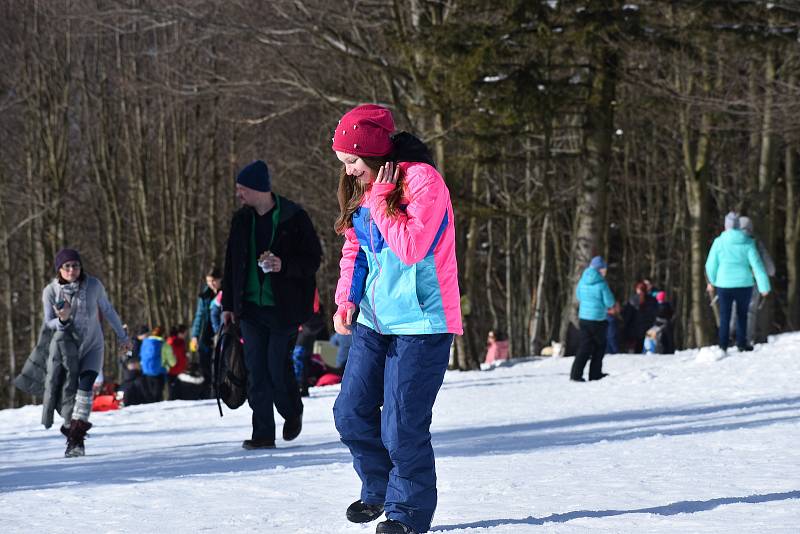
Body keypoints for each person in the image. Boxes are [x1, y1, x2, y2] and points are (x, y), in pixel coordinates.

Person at [330, 104, 462, 534]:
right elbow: (356, 250)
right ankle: (379, 488)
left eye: (352, 161)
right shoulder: (364, 189)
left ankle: (406, 513)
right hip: (374, 321)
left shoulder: (423, 181)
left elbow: (410, 248)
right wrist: (346, 299)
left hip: (422, 324)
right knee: (350, 412)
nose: (349, 172)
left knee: (402, 424)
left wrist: (385, 201)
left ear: (371, 153)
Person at [221, 159, 322, 450]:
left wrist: (283, 265)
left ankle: (292, 413)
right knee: (256, 371)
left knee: (277, 367)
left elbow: (313, 259)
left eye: (243, 189)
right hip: (250, 309)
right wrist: (228, 304)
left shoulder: (294, 216)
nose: (239, 194)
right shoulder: (241, 220)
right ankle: (263, 433)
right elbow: (231, 264)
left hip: (285, 308)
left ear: (258, 189)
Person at [15, 248, 130, 457]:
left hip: (93, 346)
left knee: (85, 390)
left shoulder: (93, 285)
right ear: (59, 269)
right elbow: (48, 323)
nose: (72, 270)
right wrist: (62, 318)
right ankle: (72, 431)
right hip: (67, 351)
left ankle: (76, 440)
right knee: (69, 395)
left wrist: (123, 337)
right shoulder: (50, 291)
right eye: (66, 266)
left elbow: (108, 310)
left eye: (75, 265)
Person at [706, 211, 771, 352]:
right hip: (744, 284)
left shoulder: (719, 242)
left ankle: (722, 345)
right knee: (743, 314)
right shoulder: (748, 242)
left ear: (726, 226)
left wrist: (712, 280)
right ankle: (742, 343)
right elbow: (757, 265)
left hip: (724, 284)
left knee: (725, 316)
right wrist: (764, 286)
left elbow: (710, 264)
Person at [570, 256, 615, 382]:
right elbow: (609, 302)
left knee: (584, 347)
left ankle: (575, 374)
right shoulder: (601, 284)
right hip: (598, 320)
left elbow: (578, 295)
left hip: (584, 319)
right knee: (599, 347)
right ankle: (595, 374)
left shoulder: (582, 280)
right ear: (600, 270)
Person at [732, 216, 776, 345]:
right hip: (751, 282)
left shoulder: (728, 242)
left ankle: (731, 336)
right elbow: (769, 267)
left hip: (732, 281)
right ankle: (746, 338)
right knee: (750, 310)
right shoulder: (755, 243)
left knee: (734, 308)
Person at [291, 288, 328, 397]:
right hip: (305, 323)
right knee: (304, 356)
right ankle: (302, 385)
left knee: (299, 355)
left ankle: (300, 385)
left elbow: (314, 305)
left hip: (308, 323)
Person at [191, 267, 222, 396]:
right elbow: (199, 316)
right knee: (205, 363)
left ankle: (220, 389)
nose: (211, 284)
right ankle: (209, 389)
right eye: (208, 281)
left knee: (221, 363)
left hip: (221, 331)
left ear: (220, 279)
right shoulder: (204, 295)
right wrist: (195, 335)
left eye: (213, 281)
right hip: (206, 333)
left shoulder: (225, 292)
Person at [138, 326, 176, 403]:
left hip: (146, 371)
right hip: (159, 372)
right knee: (158, 395)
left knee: (150, 394)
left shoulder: (145, 342)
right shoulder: (164, 345)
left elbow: (141, 356)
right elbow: (173, 363)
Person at [166, 324, 189, 400]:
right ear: (180, 333)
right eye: (185, 333)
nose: (186, 335)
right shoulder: (171, 342)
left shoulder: (181, 342)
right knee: (173, 395)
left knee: (180, 395)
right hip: (172, 372)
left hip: (181, 371)